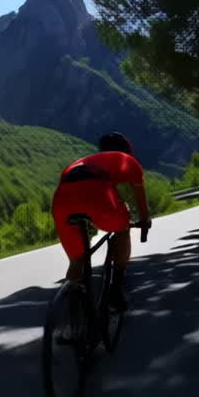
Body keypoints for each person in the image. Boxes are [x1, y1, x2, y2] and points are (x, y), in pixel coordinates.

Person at [51, 132, 152, 309]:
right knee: (122, 229)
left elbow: (76, 191)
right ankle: (117, 284)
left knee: (77, 260)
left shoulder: (79, 162)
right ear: (127, 151)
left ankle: (73, 311)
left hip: (61, 202)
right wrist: (144, 221)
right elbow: (141, 203)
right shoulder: (128, 160)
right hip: (99, 196)